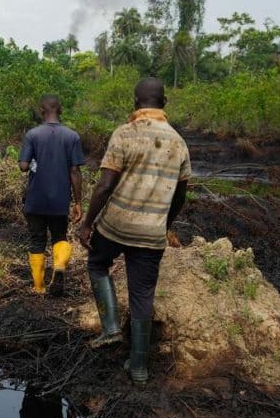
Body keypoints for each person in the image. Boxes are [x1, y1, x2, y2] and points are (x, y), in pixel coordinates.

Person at [77, 77, 190, 386]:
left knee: (98, 264)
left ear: (135, 104)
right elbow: (180, 196)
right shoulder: (179, 143)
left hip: (115, 225)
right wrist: (165, 226)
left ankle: (110, 327)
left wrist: (87, 223)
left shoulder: (124, 134)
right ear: (164, 104)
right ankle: (139, 368)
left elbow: (105, 186)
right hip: (151, 232)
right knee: (143, 294)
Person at [19, 95, 85, 296]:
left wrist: (34, 163)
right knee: (59, 236)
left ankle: (38, 287)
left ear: (42, 111)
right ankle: (59, 267)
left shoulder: (33, 134)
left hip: (35, 199)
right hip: (60, 200)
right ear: (61, 111)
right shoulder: (72, 136)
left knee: (37, 240)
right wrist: (78, 202)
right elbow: (74, 171)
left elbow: (23, 166)